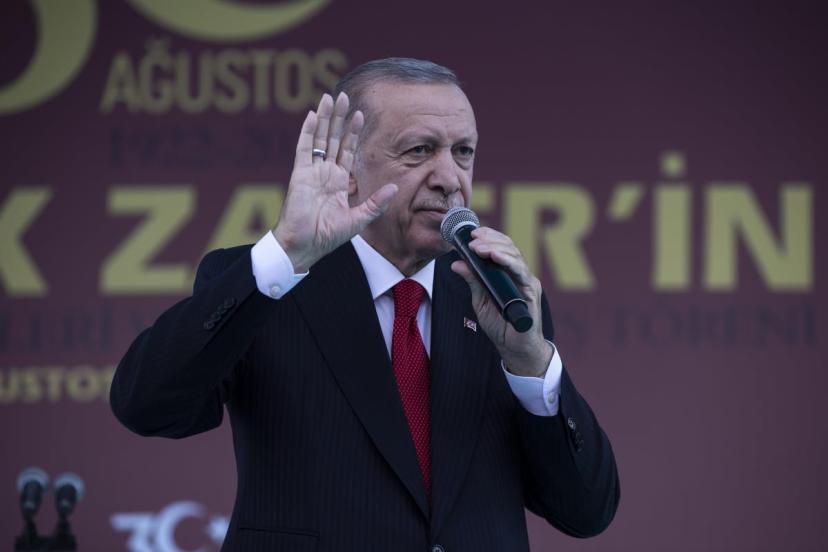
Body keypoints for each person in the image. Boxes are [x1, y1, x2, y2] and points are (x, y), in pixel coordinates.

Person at [111, 58, 619, 551]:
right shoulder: (269, 284)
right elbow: (148, 407)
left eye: (463, 152)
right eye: (419, 150)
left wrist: (530, 361)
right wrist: (284, 255)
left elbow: (585, 512)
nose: (449, 178)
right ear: (348, 167)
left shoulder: (499, 299)